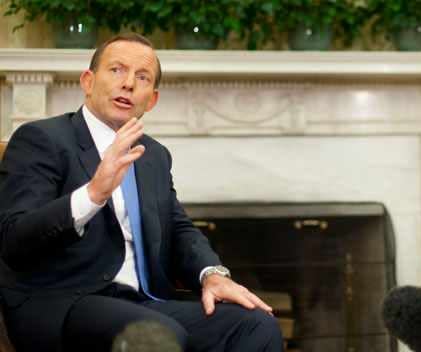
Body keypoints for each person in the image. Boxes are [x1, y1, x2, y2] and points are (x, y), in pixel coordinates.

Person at [0, 33, 283, 352]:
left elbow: (178, 229)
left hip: (144, 302)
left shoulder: (154, 155)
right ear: (88, 81)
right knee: (156, 334)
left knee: (257, 325)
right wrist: (93, 194)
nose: (129, 83)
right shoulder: (42, 139)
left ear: (152, 99)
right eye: (117, 70)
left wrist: (211, 274)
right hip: (64, 302)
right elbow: (14, 239)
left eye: (142, 77)